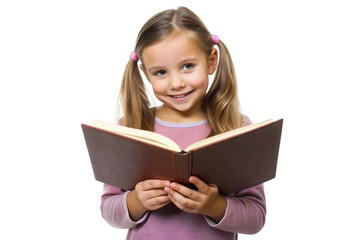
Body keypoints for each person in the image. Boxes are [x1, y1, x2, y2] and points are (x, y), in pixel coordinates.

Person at [101, 6, 266, 239]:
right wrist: (137, 200)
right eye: (160, 72)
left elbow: (256, 217)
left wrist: (214, 205)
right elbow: (108, 210)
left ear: (211, 61)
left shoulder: (236, 127)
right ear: (145, 73)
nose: (176, 83)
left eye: (188, 66)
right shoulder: (131, 126)